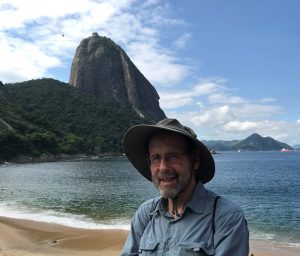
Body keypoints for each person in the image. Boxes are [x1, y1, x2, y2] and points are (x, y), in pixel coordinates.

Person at [121, 118, 249, 255]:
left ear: (195, 161)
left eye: (173, 156)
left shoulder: (226, 217)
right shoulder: (145, 214)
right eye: (156, 158)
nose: (163, 168)